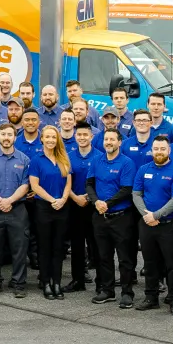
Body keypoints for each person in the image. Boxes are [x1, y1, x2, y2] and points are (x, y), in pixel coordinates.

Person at [132, 135, 173, 314]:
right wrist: (146, 215)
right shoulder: (143, 169)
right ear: (152, 150)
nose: (159, 152)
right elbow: (136, 194)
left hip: (168, 225)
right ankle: (151, 297)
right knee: (150, 263)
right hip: (147, 224)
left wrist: (156, 215)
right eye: (156, 149)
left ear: (169, 150)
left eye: (163, 149)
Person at [87, 126, 138, 308]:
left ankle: (127, 292)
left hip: (121, 217)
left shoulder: (126, 163)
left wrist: (107, 203)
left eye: (112, 139)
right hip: (100, 216)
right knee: (103, 256)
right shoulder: (96, 160)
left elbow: (126, 189)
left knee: (124, 258)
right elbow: (89, 184)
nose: (108, 142)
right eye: (106, 139)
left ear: (119, 142)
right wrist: (96, 202)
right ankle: (107, 290)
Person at [0, 123, 31, 297]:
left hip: (17, 209)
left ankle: (18, 283)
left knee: (19, 248)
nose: (6, 138)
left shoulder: (24, 159)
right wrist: (0, 200)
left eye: (10, 134)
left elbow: (26, 185)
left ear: (15, 137)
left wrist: (10, 200)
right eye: (3, 134)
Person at [27, 124, 72, 299]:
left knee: (58, 248)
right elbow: (35, 186)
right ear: (42, 139)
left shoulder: (64, 159)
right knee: (45, 247)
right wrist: (52, 200)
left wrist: (62, 199)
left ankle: (57, 283)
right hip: (44, 208)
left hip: (62, 207)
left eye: (54, 137)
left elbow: (68, 183)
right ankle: (46, 283)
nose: (51, 140)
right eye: (48, 137)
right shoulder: (36, 160)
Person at [63, 123, 100, 292]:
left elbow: (103, 181)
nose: (82, 138)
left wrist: (89, 197)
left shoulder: (100, 156)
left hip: (94, 206)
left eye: (86, 135)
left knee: (98, 245)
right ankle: (78, 281)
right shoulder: (68, 157)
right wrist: (75, 197)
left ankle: (102, 282)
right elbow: (64, 182)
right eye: (79, 135)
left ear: (91, 136)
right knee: (77, 245)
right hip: (75, 204)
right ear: (75, 137)